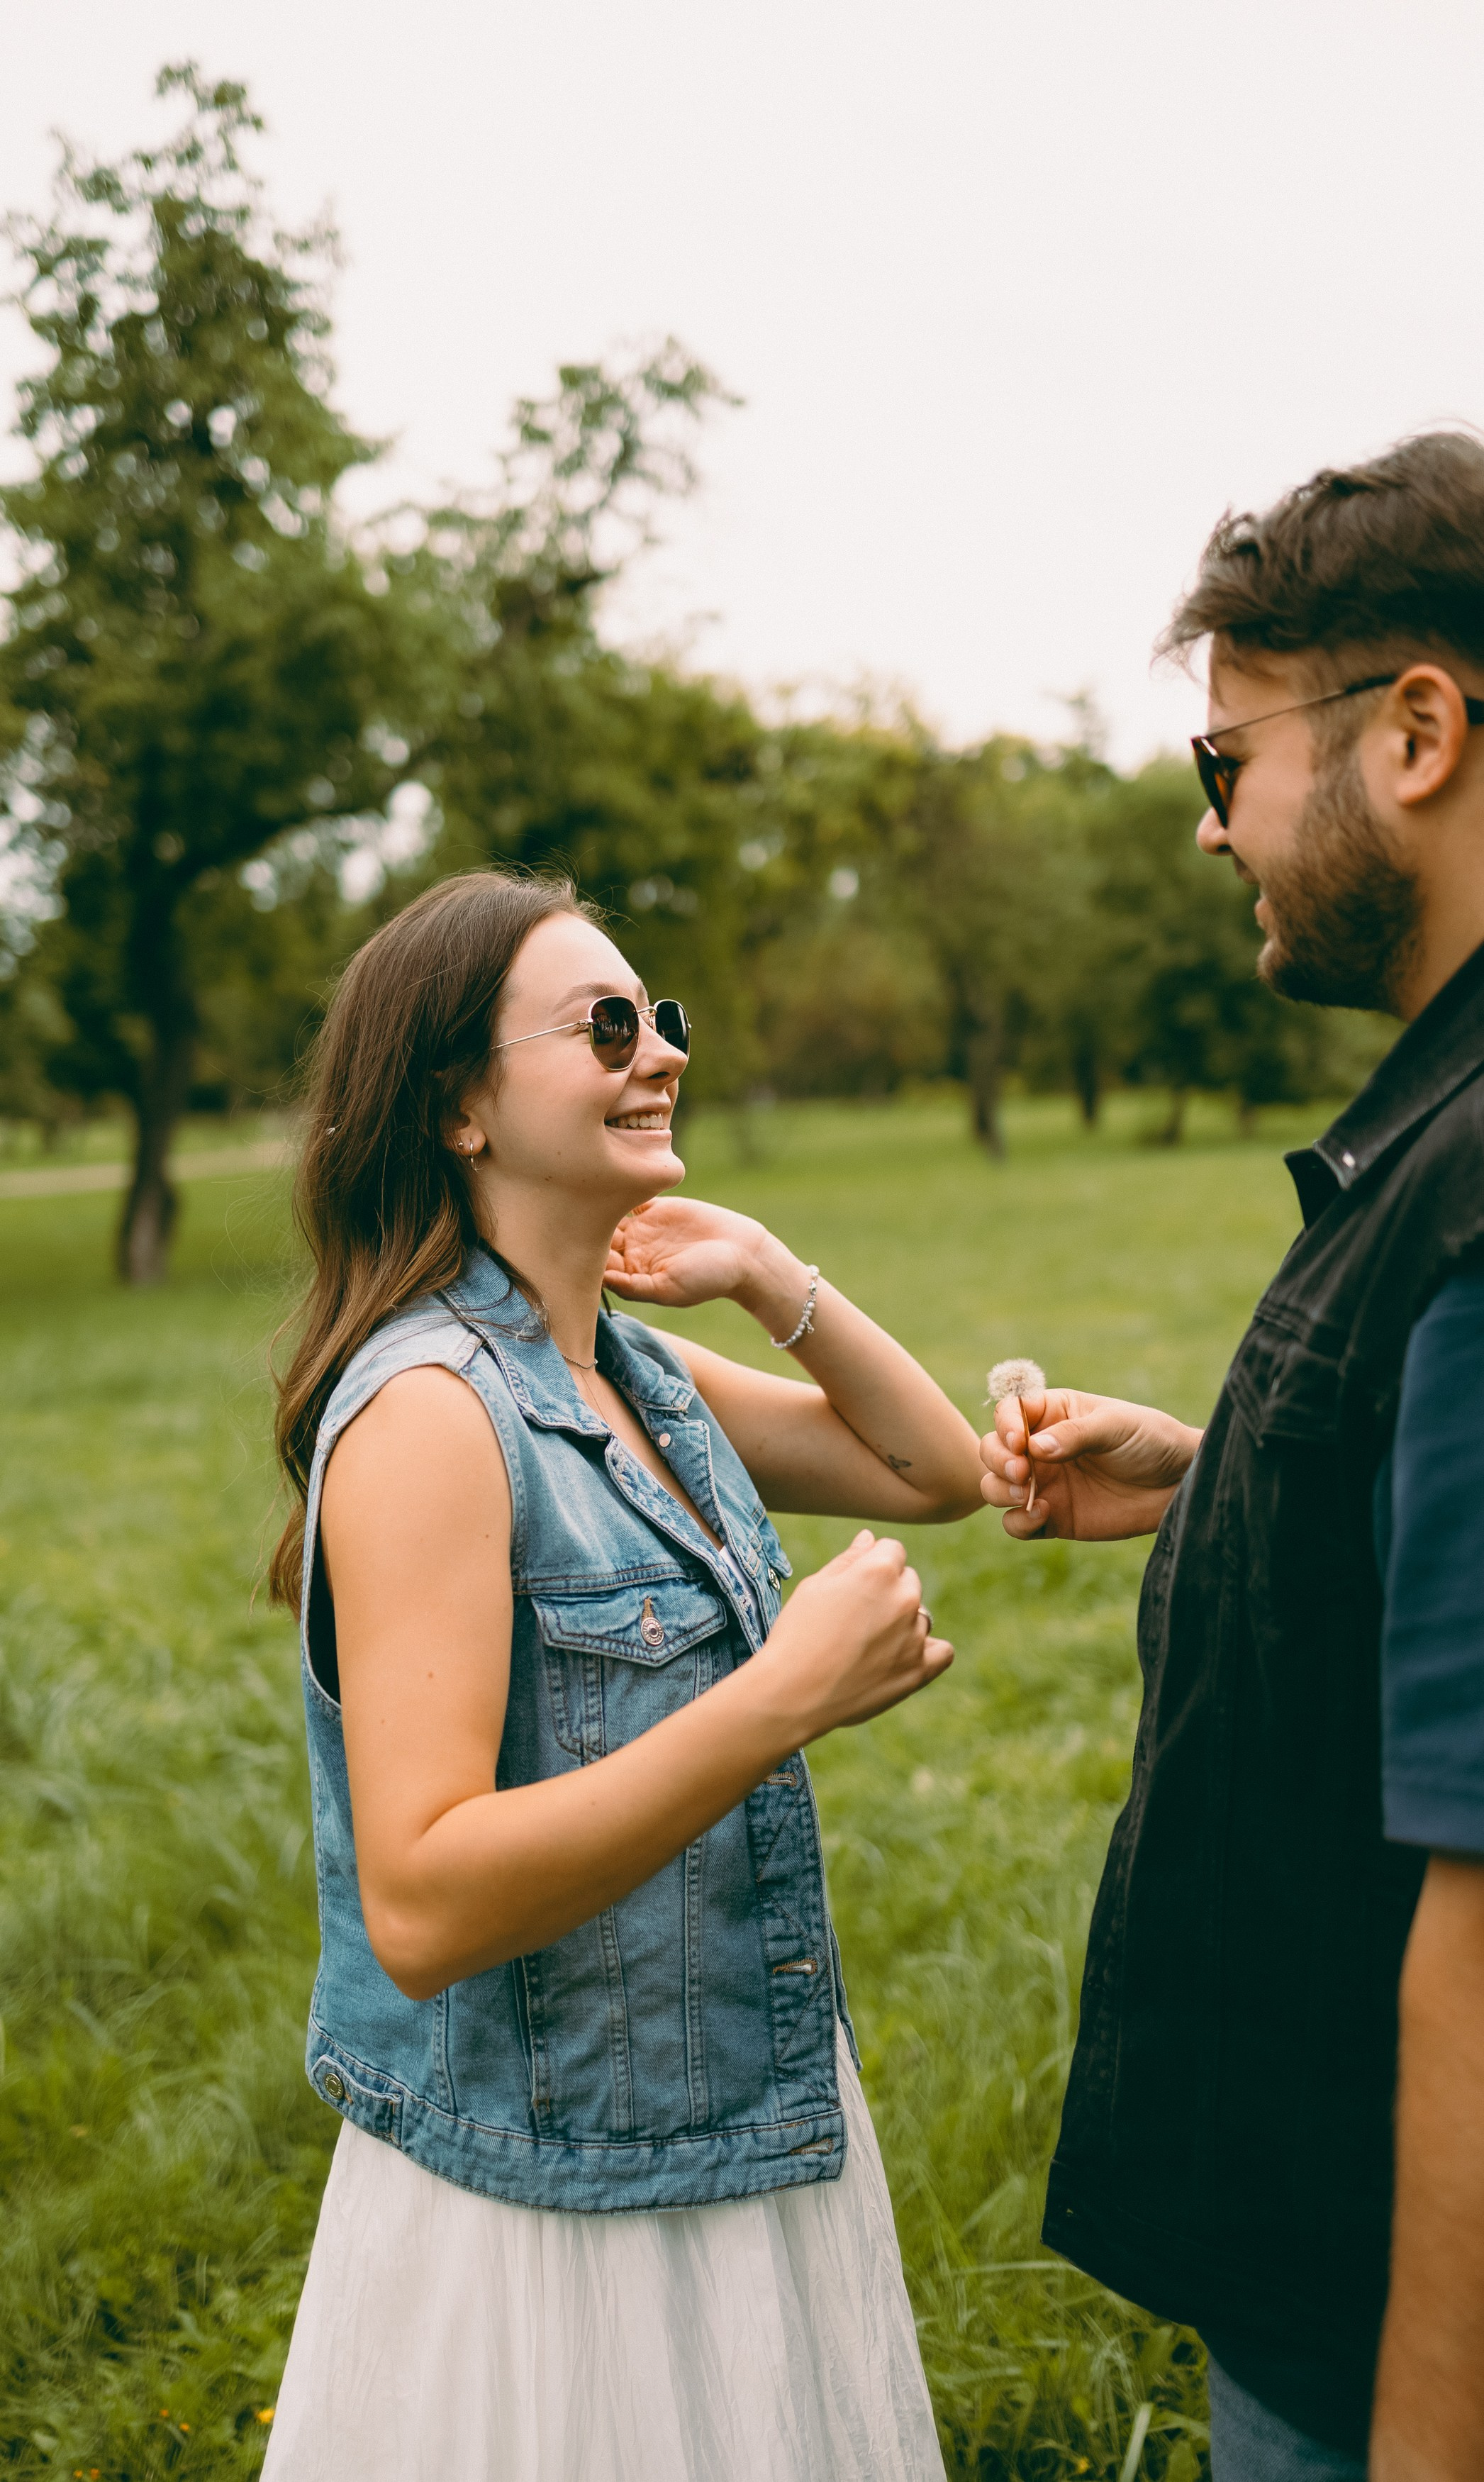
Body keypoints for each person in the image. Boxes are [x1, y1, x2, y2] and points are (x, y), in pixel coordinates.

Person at [261, 869, 983, 2481]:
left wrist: (767, 1270)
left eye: (662, 1014)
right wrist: (783, 1696)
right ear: (459, 1104)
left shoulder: (628, 1368)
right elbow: (421, 1902)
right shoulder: (433, 1414)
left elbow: (933, 1472)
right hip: (560, 2196)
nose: (660, 1049)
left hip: (724, 2102)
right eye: (604, 1024)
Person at [978, 433, 1484, 2480]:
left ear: (1417, 734)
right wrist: (1222, 1485)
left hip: (1379, 2336)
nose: (1211, 825)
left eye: (1226, 759)